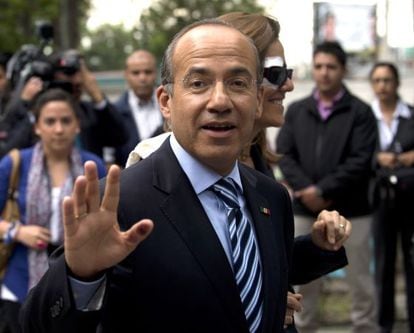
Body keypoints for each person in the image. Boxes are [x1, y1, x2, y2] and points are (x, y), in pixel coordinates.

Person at [20, 18, 305, 333]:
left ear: (258, 100)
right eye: (199, 83)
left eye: (237, 83)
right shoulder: (117, 204)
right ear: (166, 103)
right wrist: (81, 277)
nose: (220, 101)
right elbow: (37, 325)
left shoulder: (273, 198)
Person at [127, 12, 350, 331]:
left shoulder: (260, 173)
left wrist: (315, 249)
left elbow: (258, 257)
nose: (287, 83)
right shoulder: (147, 174)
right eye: (274, 73)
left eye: (286, 72)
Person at [276, 41, 378, 333]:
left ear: (343, 70)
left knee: (360, 281)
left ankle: (365, 328)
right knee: (304, 283)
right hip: (304, 210)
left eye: (331, 66)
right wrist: (307, 190)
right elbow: (285, 153)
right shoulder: (296, 110)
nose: (324, 73)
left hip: (353, 211)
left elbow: (361, 160)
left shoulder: (360, 112)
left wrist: (322, 190)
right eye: (319, 66)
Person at [0, 89, 106, 333]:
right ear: (37, 127)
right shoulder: (15, 163)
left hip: (75, 282)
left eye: (66, 121)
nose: (59, 129)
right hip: (20, 279)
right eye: (50, 121)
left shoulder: (92, 166)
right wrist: (17, 231)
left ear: (77, 125)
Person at [369, 62, 414, 333]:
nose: (382, 86)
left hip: (410, 198)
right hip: (379, 199)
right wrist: (377, 158)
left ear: (397, 83)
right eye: (377, 80)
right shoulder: (365, 117)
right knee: (383, 262)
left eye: (387, 80)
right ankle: (384, 324)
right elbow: (357, 153)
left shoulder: (410, 115)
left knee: (412, 260)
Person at [112, 50, 164, 166]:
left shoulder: (172, 106)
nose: (142, 78)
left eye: (148, 72)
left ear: (156, 73)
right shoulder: (115, 113)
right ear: (126, 75)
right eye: (136, 73)